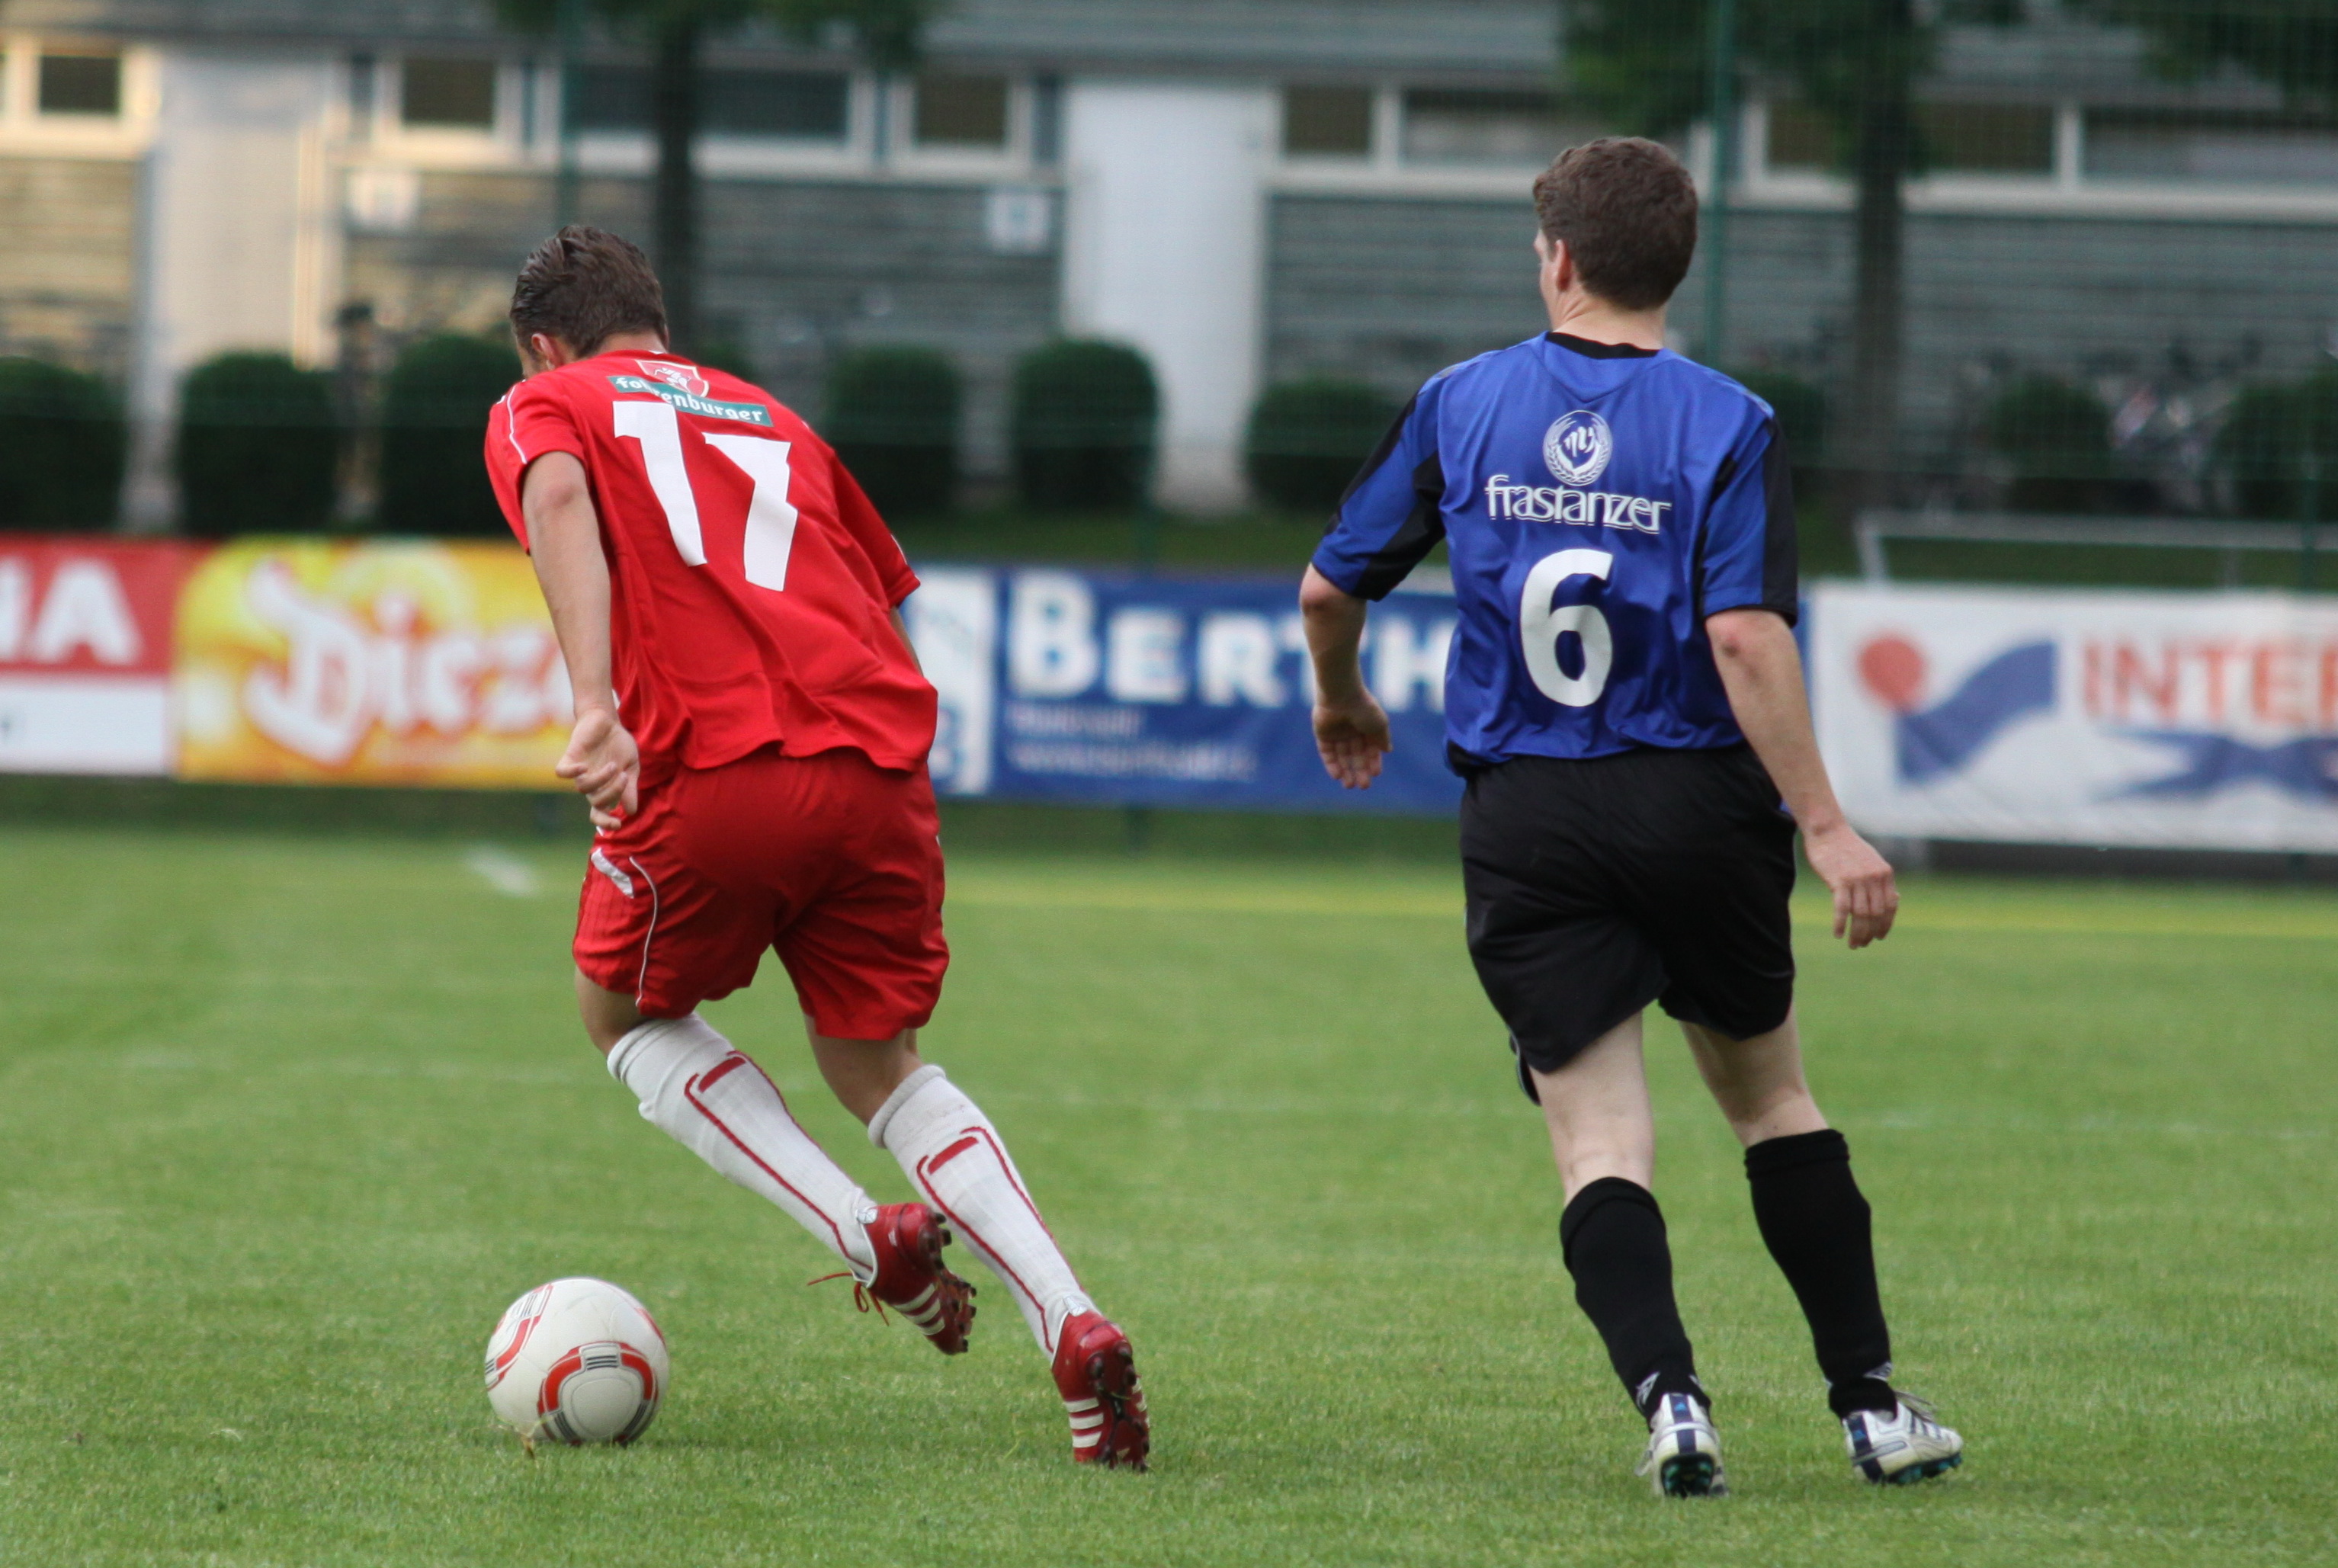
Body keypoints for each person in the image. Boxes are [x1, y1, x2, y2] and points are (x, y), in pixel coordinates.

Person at [1296, 139, 1961, 1497]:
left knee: (1599, 1142)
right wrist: (1825, 824)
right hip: (1698, 806)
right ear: (1677, 266)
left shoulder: (1459, 402)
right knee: (1769, 1099)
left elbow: (1326, 588)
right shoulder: (1730, 421)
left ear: (1557, 258)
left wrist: (1343, 696)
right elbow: (1743, 635)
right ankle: (1869, 1405)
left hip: (1528, 811)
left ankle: (1672, 1404)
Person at [483, 226, 1147, 1469]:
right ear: (658, 323)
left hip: (719, 764)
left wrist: (597, 703)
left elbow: (560, 495)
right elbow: (882, 592)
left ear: (542, 344)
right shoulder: (775, 418)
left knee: (620, 1014)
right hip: (878, 765)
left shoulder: (545, 402)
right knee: (876, 1061)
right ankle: (1071, 1317)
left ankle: (860, 1230)